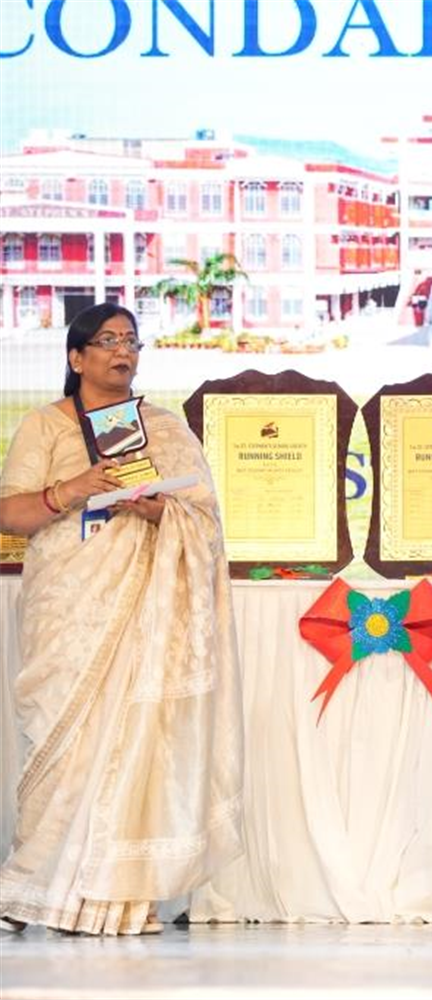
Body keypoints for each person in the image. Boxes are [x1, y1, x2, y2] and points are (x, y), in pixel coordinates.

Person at [0, 303, 243, 936]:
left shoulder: (163, 429)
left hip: (143, 613)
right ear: (76, 357)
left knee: (133, 742)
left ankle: (115, 895)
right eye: (107, 341)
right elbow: (10, 514)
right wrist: (71, 489)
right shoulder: (44, 426)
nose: (121, 351)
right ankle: (34, 887)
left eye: (131, 341)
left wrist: (159, 510)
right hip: (67, 609)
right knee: (59, 744)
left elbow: (204, 520)